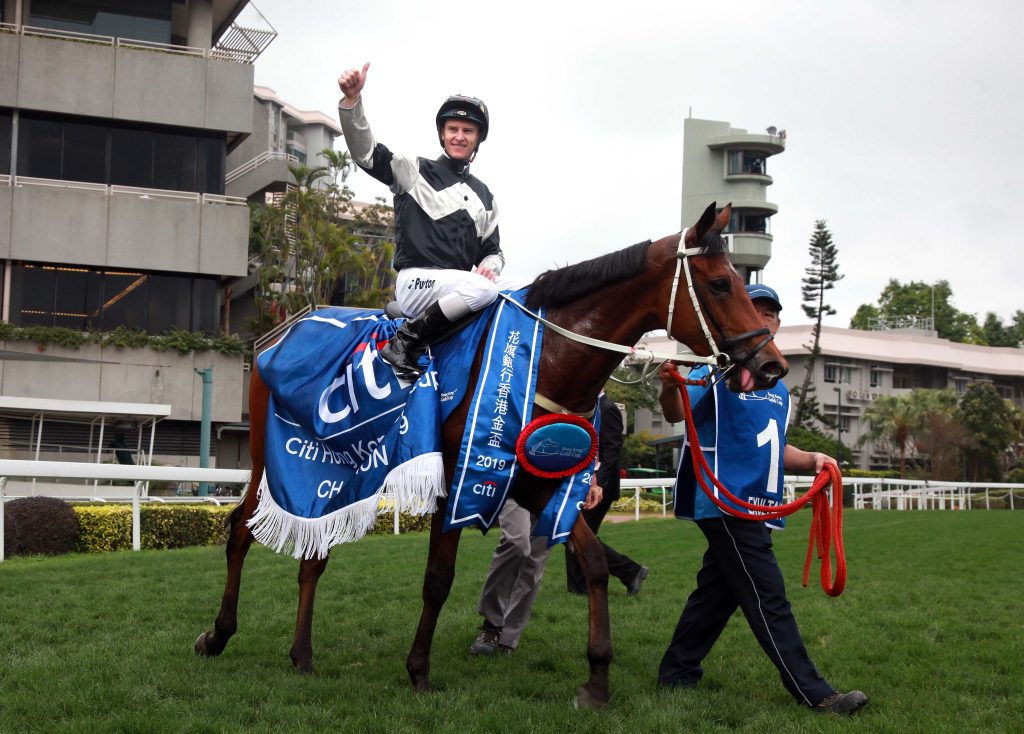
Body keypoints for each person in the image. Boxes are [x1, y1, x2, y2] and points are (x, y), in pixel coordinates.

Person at [655, 284, 868, 716]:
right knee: (767, 595)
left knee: (719, 591)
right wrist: (666, 384)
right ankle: (816, 693)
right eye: (756, 309)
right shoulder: (710, 371)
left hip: (758, 504)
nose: (765, 318)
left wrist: (812, 459)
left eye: (772, 312)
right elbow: (675, 412)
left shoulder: (778, 387)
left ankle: (677, 671)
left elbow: (772, 449)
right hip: (724, 501)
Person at [337, 62, 512, 382]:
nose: (460, 136)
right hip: (416, 283)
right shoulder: (413, 170)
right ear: (443, 134)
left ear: (477, 139)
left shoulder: (485, 196)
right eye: (453, 129)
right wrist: (352, 103)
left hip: (457, 289)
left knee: (512, 291)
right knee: (483, 289)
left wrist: (492, 266)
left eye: (467, 131)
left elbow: (494, 251)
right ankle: (404, 342)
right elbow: (366, 154)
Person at [470, 481, 603, 655]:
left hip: (554, 489)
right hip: (516, 481)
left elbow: (587, 453)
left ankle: (508, 637)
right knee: (516, 542)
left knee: (534, 562)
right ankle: (491, 624)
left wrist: (592, 483)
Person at [564, 391, 649, 596]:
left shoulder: (608, 408)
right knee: (574, 534)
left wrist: (597, 485)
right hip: (583, 485)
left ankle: (630, 571)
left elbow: (612, 453)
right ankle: (580, 586)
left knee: (578, 535)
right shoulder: (587, 407)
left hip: (600, 488)